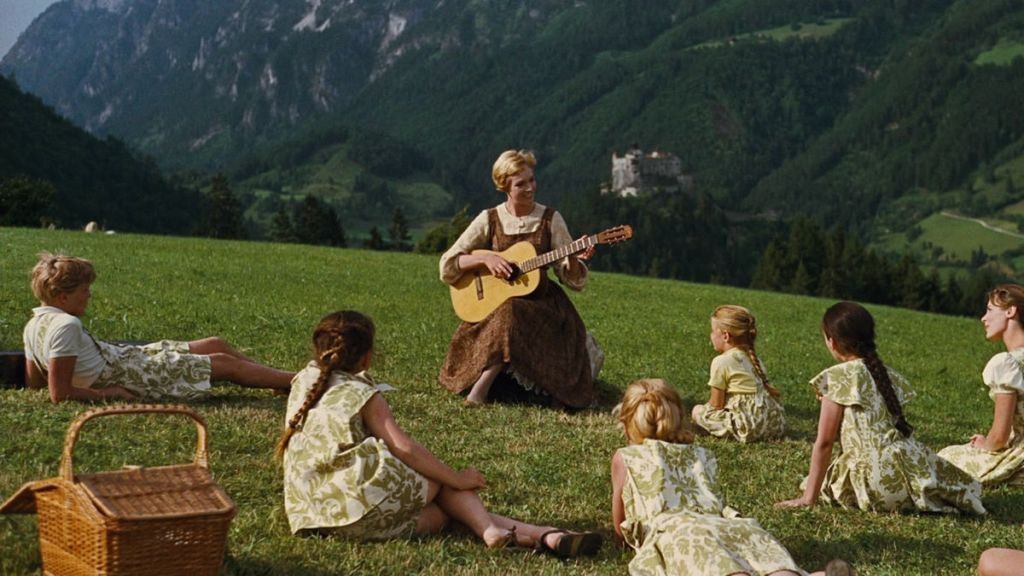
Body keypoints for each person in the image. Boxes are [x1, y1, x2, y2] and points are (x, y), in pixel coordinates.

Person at [277, 310, 603, 555]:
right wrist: (457, 477)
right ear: (366, 356)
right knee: (438, 480)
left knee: (440, 515)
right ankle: (509, 531)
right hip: (358, 504)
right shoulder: (363, 393)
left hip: (316, 515)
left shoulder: (303, 382)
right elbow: (404, 448)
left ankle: (540, 536)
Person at [611, 378, 851, 576]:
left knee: (720, 568)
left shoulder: (626, 457)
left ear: (627, 421)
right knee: (771, 565)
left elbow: (620, 521)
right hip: (728, 525)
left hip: (676, 532)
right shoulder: (701, 454)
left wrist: (622, 541)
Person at [775, 301, 985, 515]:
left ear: (833, 342)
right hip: (908, 470)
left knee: (814, 482)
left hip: (875, 482)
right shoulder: (885, 374)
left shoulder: (838, 377)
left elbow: (825, 442)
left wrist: (808, 498)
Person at [438, 149, 597, 408]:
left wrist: (573, 259)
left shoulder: (551, 219)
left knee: (511, 311)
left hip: (543, 307)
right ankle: (486, 383)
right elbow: (448, 265)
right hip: (497, 305)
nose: (530, 188)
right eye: (520, 184)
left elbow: (572, 279)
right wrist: (486, 259)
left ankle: (482, 389)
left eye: (532, 180)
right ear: (505, 187)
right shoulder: (489, 219)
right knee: (508, 310)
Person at [23, 252, 294, 403]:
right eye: (85, 290)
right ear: (63, 297)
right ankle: (299, 380)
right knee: (224, 362)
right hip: (128, 374)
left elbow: (35, 381)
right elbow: (60, 394)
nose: (89, 295)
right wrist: (110, 393)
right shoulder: (67, 325)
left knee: (215, 343)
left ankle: (275, 380)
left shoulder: (34, 323)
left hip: (121, 358)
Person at [938, 284, 1024, 487]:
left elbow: (1000, 437)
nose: (983, 318)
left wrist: (986, 444)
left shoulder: (1006, 363)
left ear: (1011, 311)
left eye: (990, 310)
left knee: (945, 458)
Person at [691, 305, 785, 442]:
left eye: (712, 331)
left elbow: (716, 405)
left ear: (725, 336)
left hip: (750, 427)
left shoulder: (721, 362)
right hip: (774, 425)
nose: (710, 335)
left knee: (697, 411)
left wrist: (702, 411)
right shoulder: (755, 360)